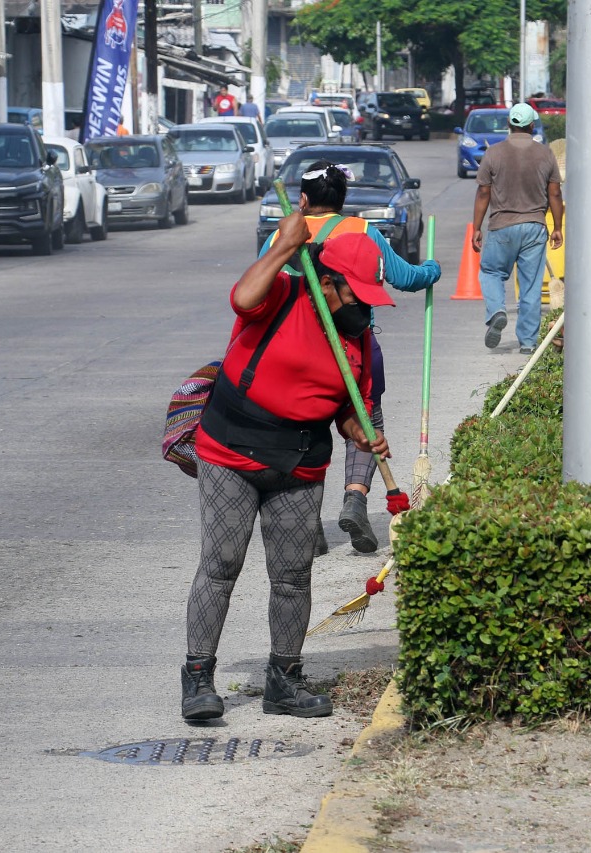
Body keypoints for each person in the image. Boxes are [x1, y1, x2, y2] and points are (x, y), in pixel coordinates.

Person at [181, 212, 391, 722]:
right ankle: (197, 681)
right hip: (233, 451)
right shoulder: (285, 296)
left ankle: (285, 682)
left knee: (293, 575)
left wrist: (358, 431)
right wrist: (283, 247)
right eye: (353, 293)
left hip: (299, 462)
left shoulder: (359, 340)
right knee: (221, 563)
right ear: (326, 283)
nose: (362, 305)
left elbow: (349, 409)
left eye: (369, 295)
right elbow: (241, 298)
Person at [259, 161, 441, 554]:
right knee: (365, 419)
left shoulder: (283, 236)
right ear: (343, 199)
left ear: (304, 199)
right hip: (354, 348)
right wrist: (431, 270)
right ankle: (355, 498)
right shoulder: (362, 232)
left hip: (296, 351)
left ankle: (308, 518)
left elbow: (261, 281)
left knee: (302, 428)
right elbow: (404, 278)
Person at [472, 102, 564, 354]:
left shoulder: (494, 153)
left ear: (509, 125)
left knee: (491, 272)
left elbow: (483, 192)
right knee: (531, 285)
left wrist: (477, 227)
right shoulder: (545, 154)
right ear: (532, 125)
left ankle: (497, 311)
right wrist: (557, 227)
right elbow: (555, 193)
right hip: (534, 227)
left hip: (502, 226)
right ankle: (527, 342)